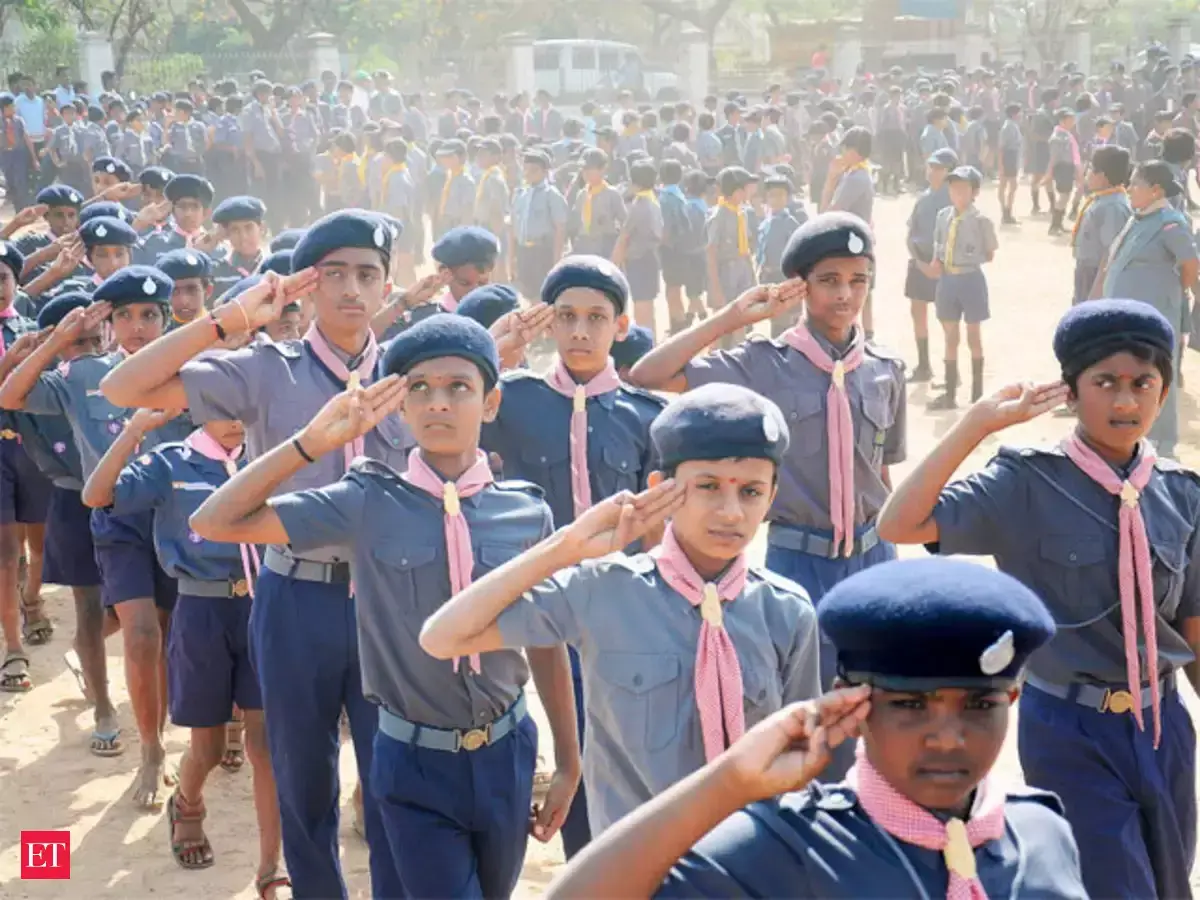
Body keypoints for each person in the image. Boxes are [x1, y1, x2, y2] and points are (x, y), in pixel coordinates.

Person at [190, 315, 580, 898]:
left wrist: (568, 761)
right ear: (398, 408)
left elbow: (547, 640)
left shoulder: (527, 513)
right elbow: (214, 521)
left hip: (507, 751)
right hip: (412, 763)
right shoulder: (366, 501)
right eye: (418, 388)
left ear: (491, 402)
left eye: (458, 387)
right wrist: (311, 443)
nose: (438, 403)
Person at [99, 211, 408, 898]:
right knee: (303, 780)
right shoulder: (269, 369)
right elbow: (124, 389)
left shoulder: (414, 377)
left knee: (391, 781)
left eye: (367, 274)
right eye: (334, 274)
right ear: (305, 286)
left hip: (388, 602)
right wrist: (225, 321)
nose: (351, 289)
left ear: (389, 286)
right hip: (297, 596)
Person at [876, 299, 1200, 900]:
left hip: (1164, 725)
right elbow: (900, 523)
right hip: (1071, 726)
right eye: (1104, 383)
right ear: (1071, 392)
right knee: (1115, 886)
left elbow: (1192, 625)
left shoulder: (1182, 494)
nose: (1125, 402)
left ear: (1164, 391)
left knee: (1170, 881)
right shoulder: (1025, 482)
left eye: (1143, 384)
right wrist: (978, 423)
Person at [545, 558, 1088, 900]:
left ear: (1013, 698)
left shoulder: (1040, 831)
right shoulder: (787, 849)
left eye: (978, 704)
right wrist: (729, 782)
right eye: (911, 704)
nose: (947, 737)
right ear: (852, 704)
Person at [423, 378, 821, 837]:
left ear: (772, 498)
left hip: (750, 867)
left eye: (750, 492)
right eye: (708, 486)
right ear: (660, 489)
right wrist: (566, 547)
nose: (731, 511)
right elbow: (443, 637)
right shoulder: (604, 591)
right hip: (634, 874)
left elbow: (800, 761)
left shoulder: (787, 612)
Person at [629, 213, 906, 778]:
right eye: (829, 279)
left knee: (885, 709)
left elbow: (883, 475)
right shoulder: (761, 365)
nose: (845, 293)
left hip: (875, 561)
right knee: (806, 716)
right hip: (799, 562)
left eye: (858, 279)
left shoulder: (884, 371)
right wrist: (732, 316)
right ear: (800, 287)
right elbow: (649, 374)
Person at [479, 256, 666, 857]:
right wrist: (493, 350)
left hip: (626, 610)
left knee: (639, 755)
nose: (581, 331)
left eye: (596, 318)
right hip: (551, 615)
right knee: (575, 751)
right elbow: (435, 411)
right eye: (566, 317)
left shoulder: (648, 416)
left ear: (622, 324)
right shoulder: (512, 403)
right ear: (547, 325)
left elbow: (661, 535)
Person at [0, 267, 192, 807]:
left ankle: (188, 730)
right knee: (140, 635)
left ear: (165, 318)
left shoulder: (189, 373)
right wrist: (58, 340)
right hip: (115, 521)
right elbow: (12, 394)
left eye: (149, 315)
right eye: (124, 316)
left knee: (172, 630)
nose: (137, 327)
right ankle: (151, 752)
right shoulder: (85, 375)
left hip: (178, 521)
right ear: (107, 326)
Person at [80, 408, 286, 894]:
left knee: (266, 746)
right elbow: (96, 496)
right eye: (223, 410)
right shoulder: (170, 462)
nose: (237, 421)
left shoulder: (272, 455)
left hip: (263, 607)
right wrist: (134, 432)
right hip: (200, 612)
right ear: (200, 410)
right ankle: (187, 803)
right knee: (207, 748)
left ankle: (270, 865)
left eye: (245, 408)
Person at [0, 291, 118, 749]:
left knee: (138, 609)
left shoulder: (114, 372)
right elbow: (8, 393)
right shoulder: (43, 386)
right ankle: (104, 707)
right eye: (75, 341)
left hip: (125, 500)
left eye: (94, 339)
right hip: (71, 501)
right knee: (89, 606)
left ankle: (83, 654)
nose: (86, 349)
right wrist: (44, 347)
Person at [1092, 160, 1198, 458]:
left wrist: (1172, 294)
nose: (1130, 189)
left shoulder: (1170, 221)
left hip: (1155, 314)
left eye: (1136, 184)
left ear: (1155, 190)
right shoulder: (1138, 218)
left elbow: (1190, 266)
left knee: (1154, 374)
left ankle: (1162, 443)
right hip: (1126, 315)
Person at [0, 240, 52, 697]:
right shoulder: (19, 343)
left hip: (30, 449)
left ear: (17, 282)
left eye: (3, 276)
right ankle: (13, 645)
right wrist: (10, 364)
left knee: (39, 542)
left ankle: (33, 600)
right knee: (4, 550)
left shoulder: (31, 328)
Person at [928, 165, 998, 409]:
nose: (957, 192)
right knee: (950, 337)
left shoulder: (981, 221)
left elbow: (990, 253)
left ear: (974, 192)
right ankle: (949, 393)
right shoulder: (942, 216)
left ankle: (977, 394)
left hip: (970, 279)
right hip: (948, 280)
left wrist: (968, 256)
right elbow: (938, 244)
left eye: (963, 188)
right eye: (953, 187)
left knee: (973, 336)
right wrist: (937, 262)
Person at [905, 147, 958, 382]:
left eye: (939, 168)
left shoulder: (953, 201)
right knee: (917, 311)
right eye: (931, 167)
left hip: (944, 265)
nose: (933, 172)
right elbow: (910, 232)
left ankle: (952, 371)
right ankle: (924, 365)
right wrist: (919, 261)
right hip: (920, 261)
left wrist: (938, 264)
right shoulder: (923, 198)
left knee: (947, 318)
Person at [1071, 145, 1131, 307]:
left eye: (1090, 170)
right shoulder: (1102, 199)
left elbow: (1111, 254)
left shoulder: (1112, 207)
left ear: (1102, 176)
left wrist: (1096, 292)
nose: (1087, 174)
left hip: (1096, 273)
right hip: (1086, 270)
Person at [705, 167, 756, 348]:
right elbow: (711, 251)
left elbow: (746, 247)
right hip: (725, 270)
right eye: (745, 189)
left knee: (741, 315)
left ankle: (738, 355)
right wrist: (715, 287)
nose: (749, 192)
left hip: (741, 268)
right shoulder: (719, 215)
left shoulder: (742, 212)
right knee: (720, 320)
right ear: (736, 191)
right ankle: (714, 359)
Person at [612, 160, 663, 334]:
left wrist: (613, 264)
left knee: (642, 309)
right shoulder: (654, 200)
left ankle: (646, 349)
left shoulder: (640, 204)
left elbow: (624, 236)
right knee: (648, 308)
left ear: (634, 183)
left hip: (639, 260)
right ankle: (652, 345)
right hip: (650, 258)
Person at [512, 149, 567, 301]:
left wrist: (557, 259)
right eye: (526, 169)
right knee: (526, 293)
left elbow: (560, 229)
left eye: (534, 170)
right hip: (524, 251)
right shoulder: (520, 194)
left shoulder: (552, 195)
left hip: (542, 252)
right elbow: (514, 228)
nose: (529, 173)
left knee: (542, 295)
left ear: (545, 172)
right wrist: (512, 257)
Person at [756, 174, 803, 338]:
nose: (776, 199)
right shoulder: (765, 222)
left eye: (781, 195)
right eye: (772, 195)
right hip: (768, 275)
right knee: (773, 317)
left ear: (787, 198)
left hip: (784, 275)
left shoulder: (789, 223)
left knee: (784, 322)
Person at [570, 148, 625, 261]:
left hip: (605, 245)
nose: (586, 173)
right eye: (583, 169)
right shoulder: (582, 194)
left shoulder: (612, 194)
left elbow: (624, 222)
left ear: (602, 170)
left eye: (590, 169)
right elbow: (575, 222)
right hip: (584, 245)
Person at [209, 195, 267, 298]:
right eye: (235, 230)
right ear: (227, 234)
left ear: (261, 228)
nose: (243, 236)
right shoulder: (218, 272)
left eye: (248, 227)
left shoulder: (272, 266)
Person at [156, 248, 213, 327]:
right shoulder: (154, 335)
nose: (183, 301)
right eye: (174, 292)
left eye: (192, 290)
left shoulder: (226, 333)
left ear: (207, 291)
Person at [997, 103, 1023, 224]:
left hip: (1012, 156)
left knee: (1010, 185)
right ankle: (1005, 211)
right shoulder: (1008, 127)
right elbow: (1001, 147)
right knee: (1007, 185)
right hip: (1008, 157)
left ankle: (1007, 211)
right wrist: (1001, 164)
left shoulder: (1013, 125)